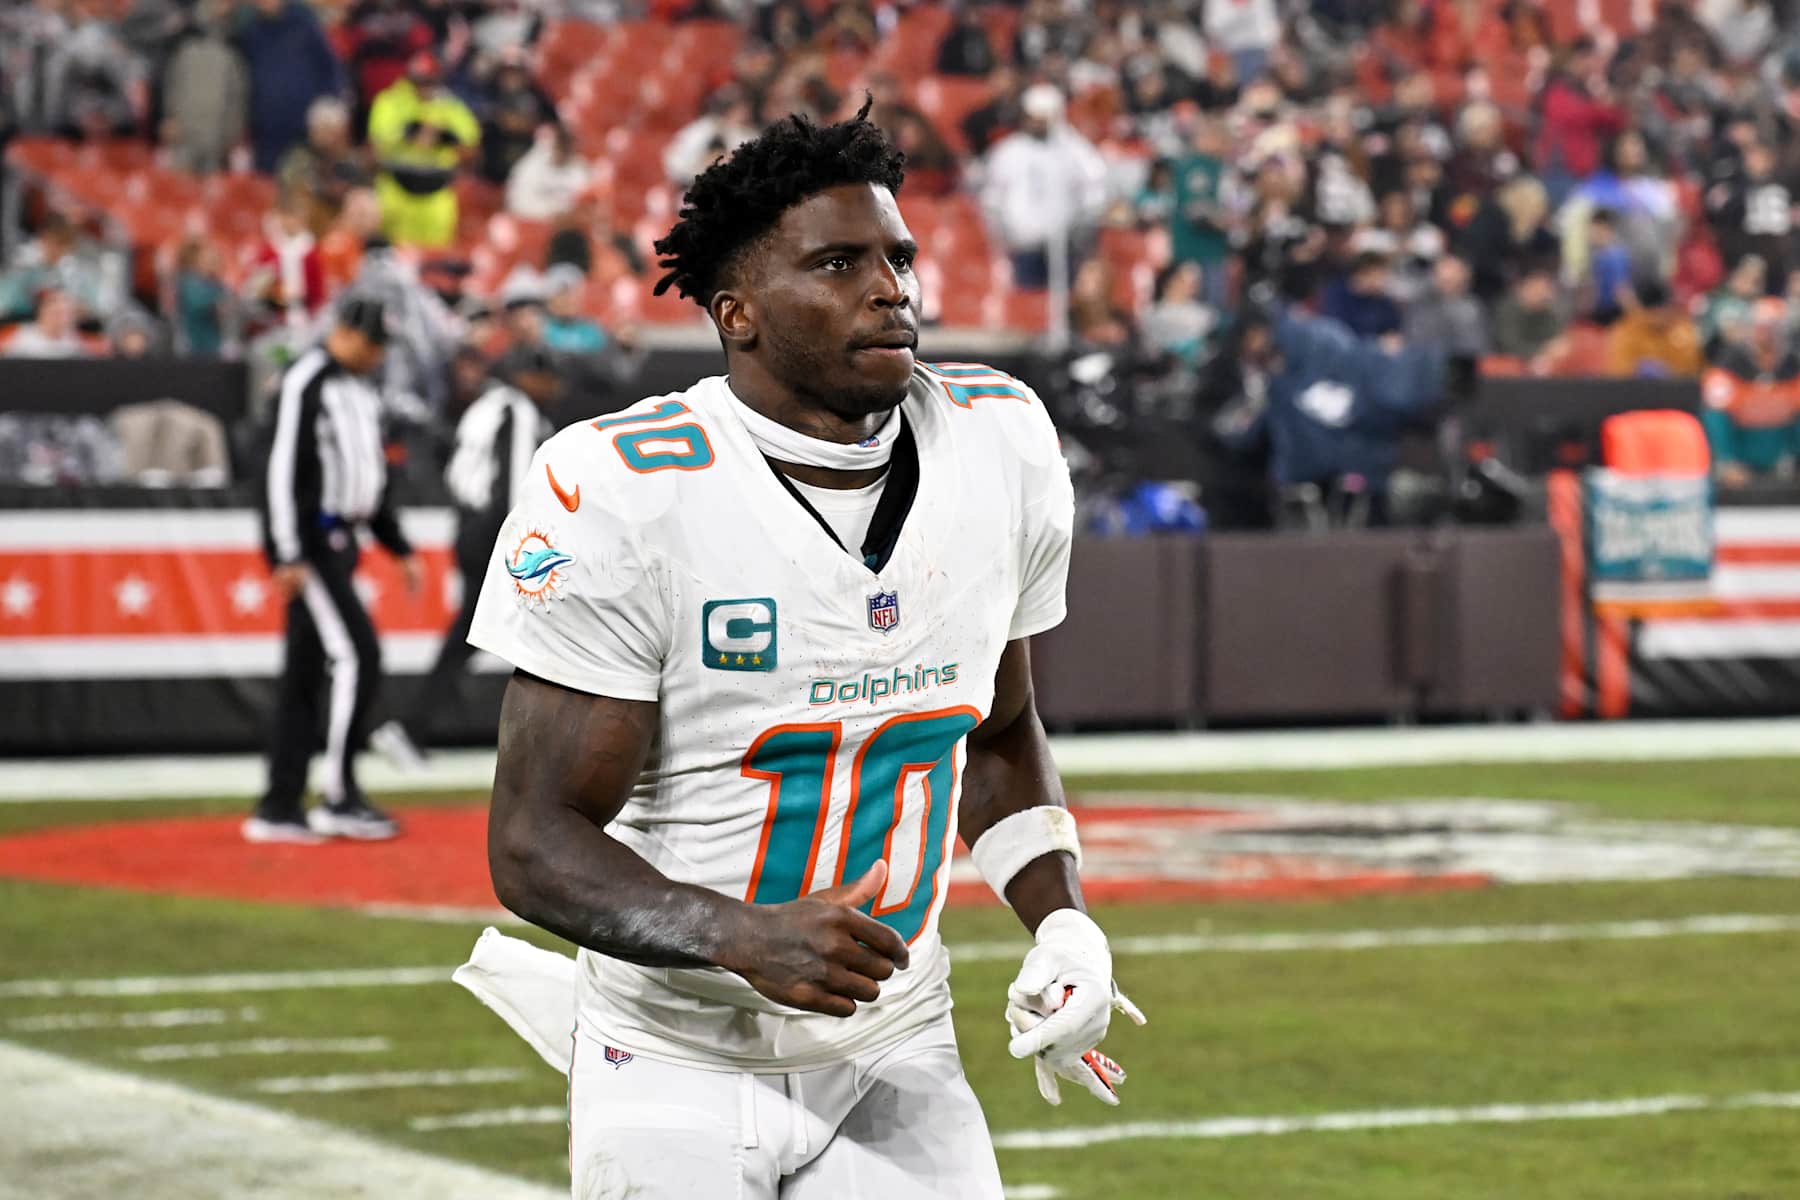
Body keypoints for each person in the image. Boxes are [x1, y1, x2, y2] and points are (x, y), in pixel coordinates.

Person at [459, 103, 1144, 1199]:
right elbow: (533, 839)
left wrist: (1063, 923)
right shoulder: (627, 489)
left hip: (897, 1038)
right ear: (736, 313)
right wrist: (737, 935)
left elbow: (999, 730)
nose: (891, 290)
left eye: (898, 258)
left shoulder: (1001, 442)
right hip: (673, 1054)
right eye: (838, 264)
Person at [249, 296, 421, 844]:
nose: (376, 355)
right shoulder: (307, 379)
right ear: (344, 332)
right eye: (370, 344)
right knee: (358, 655)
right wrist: (285, 552)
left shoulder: (362, 390)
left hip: (344, 539)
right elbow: (281, 469)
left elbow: (369, 475)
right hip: (314, 542)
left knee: (304, 673)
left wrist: (396, 545)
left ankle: (279, 805)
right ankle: (339, 795)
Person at [372, 344, 562, 763]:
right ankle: (547, 738)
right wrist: (524, 544)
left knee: (482, 634)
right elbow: (515, 485)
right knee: (543, 629)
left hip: (469, 525)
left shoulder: (485, 405)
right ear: (528, 375)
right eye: (547, 378)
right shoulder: (518, 411)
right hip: (498, 531)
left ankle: (411, 727)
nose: (553, 387)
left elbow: (458, 470)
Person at [979, 84, 1108, 291]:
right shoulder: (1008, 151)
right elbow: (992, 199)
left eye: (1043, 117)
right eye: (1033, 117)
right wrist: (1002, 236)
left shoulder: (1076, 151)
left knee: (1064, 298)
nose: (1037, 123)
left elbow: (1095, 192)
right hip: (1022, 246)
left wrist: (1079, 228)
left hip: (1065, 245)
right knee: (1026, 300)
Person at [367, 52, 480, 248]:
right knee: (393, 249)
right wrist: (411, 132)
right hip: (397, 186)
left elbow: (470, 138)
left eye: (429, 82)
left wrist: (442, 136)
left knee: (437, 250)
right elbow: (380, 138)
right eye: (419, 82)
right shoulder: (391, 100)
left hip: (436, 189)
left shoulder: (448, 104)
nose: (424, 88)